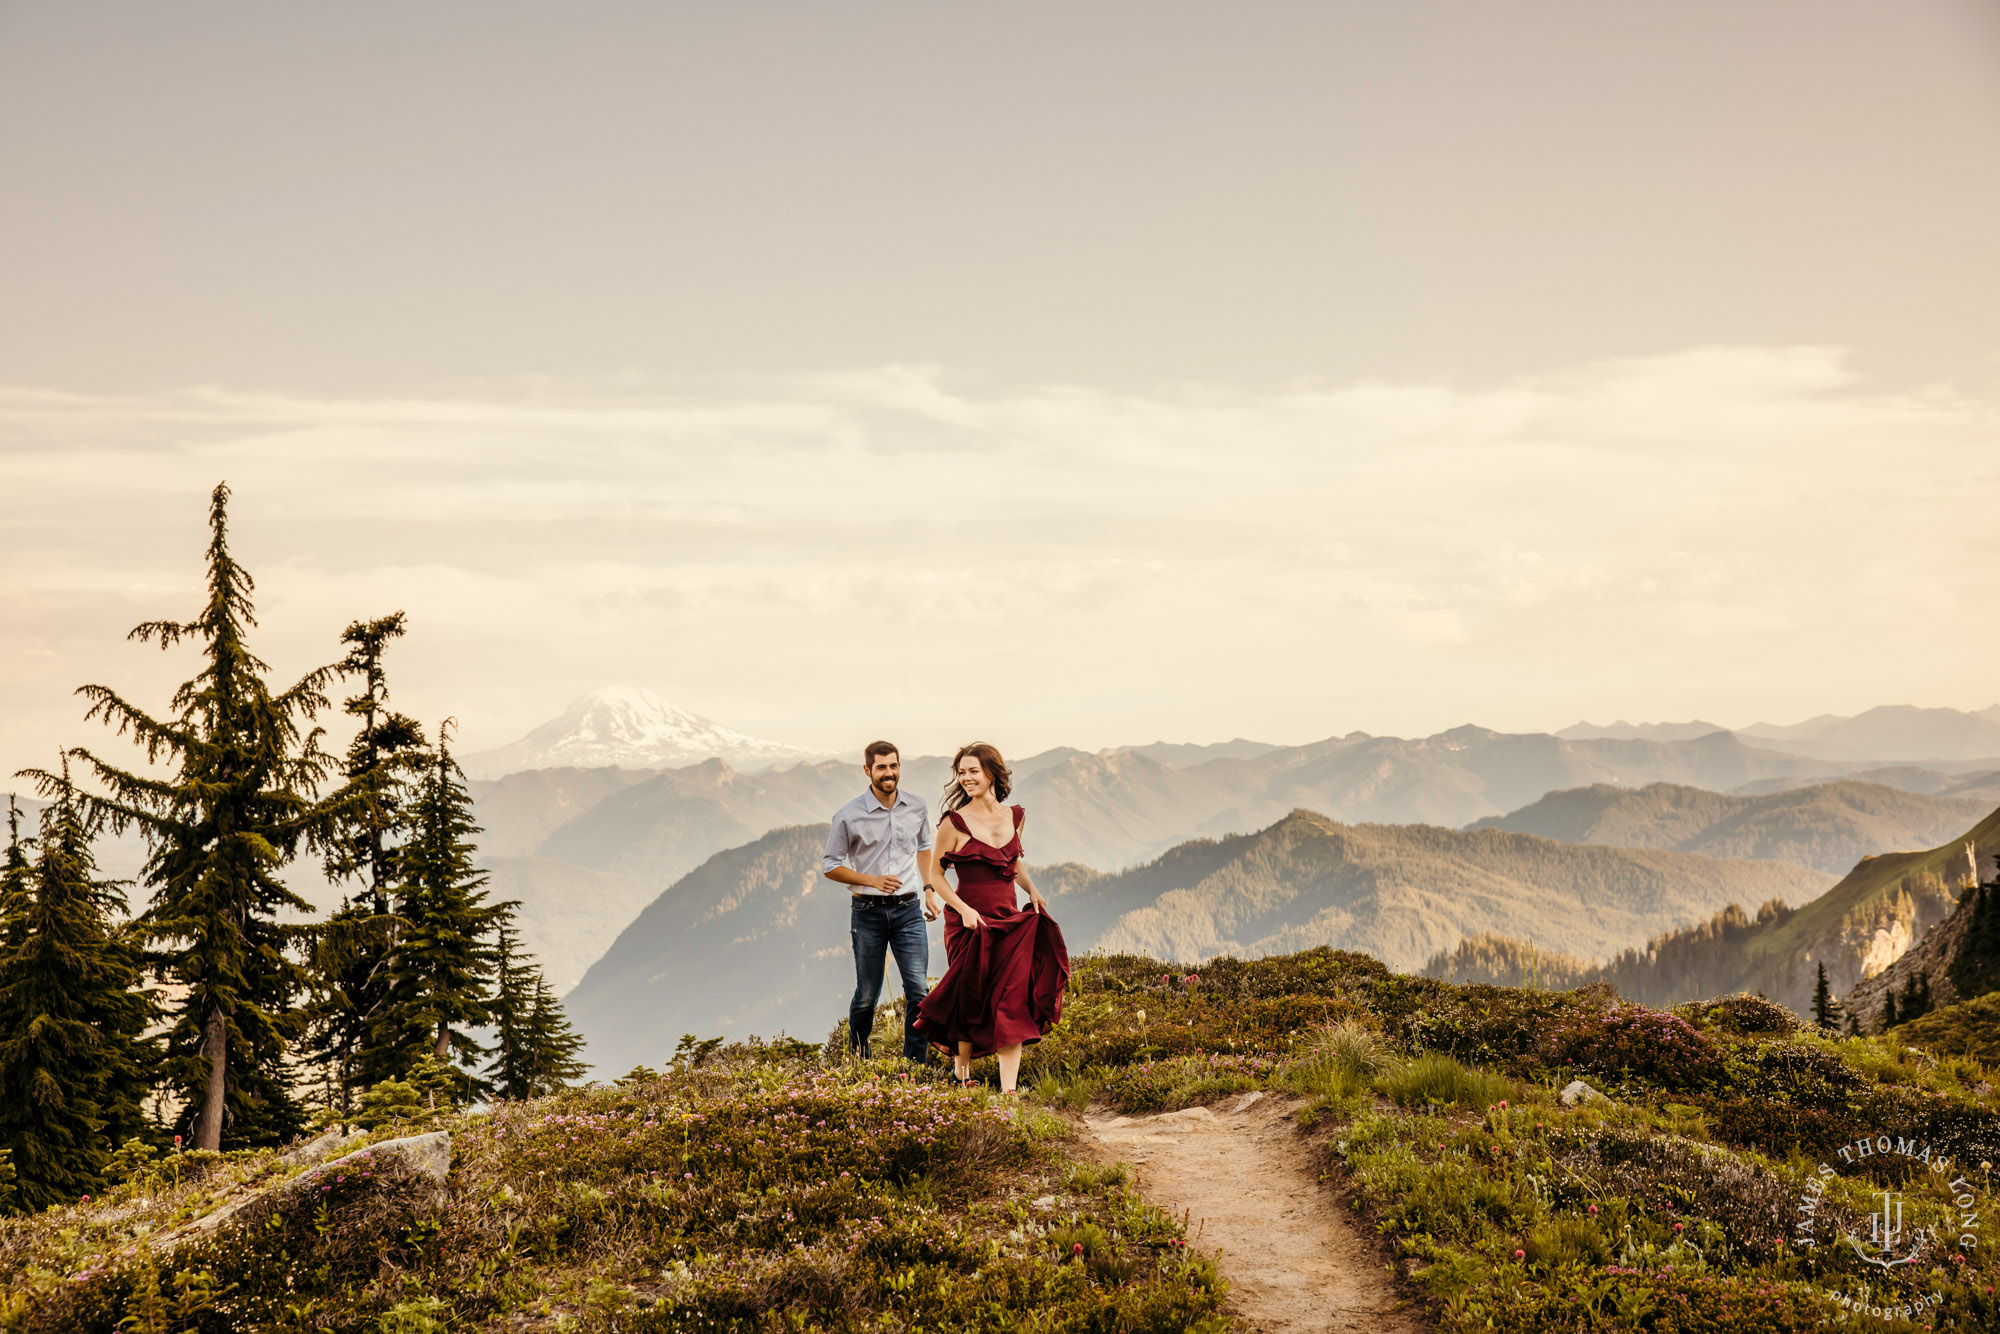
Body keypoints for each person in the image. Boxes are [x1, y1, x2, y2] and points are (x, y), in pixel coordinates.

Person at [912, 742, 1070, 1092]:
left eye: (973, 771)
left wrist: (1032, 889)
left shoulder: (1015, 816)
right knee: (970, 997)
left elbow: (1011, 861)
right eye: (961, 773)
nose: (966, 778)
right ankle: (962, 1076)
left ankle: (1009, 1094)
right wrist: (964, 909)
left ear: (992, 774)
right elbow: (937, 877)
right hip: (968, 922)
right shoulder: (952, 824)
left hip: (1009, 920)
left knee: (1012, 1001)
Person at [822, 740, 939, 1062]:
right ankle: (858, 1060)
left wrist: (929, 888)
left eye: (894, 766)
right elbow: (830, 866)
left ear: (900, 767)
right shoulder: (848, 815)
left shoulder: (917, 806)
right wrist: (871, 880)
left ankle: (915, 1064)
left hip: (909, 910)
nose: (889, 773)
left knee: (918, 990)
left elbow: (925, 845)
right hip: (868, 912)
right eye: (882, 767)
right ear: (867, 771)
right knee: (867, 996)